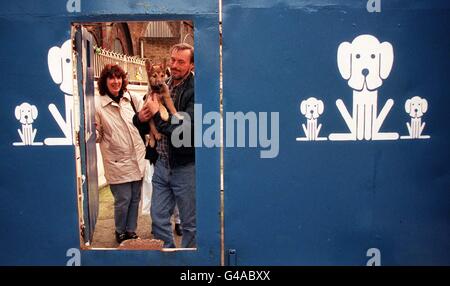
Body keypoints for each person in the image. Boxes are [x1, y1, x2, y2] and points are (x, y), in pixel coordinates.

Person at [133, 43, 195, 248]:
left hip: (185, 166)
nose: (175, 65)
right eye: (173, 60)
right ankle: (170, 258)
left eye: (181, 62)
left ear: (191, 65)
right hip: (161, 165)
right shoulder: (162, 84)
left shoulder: (196, 91)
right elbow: (144, 117)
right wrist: (140, 118)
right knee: (158, 219)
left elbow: (186, 128)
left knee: (190, 224)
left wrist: (158, 119)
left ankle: (190, 264)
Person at [95, 64, 146, 244]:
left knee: (135, 198)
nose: (116, 81)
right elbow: (96, 134)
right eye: (111, 78)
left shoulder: (131, 98)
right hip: (116, 160)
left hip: (138, 157)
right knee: (123, 199)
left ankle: (131, 230)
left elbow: (146, 115)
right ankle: (120, 231)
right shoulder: (98, 104)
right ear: (105, 81)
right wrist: (93, 132)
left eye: (119, 77)